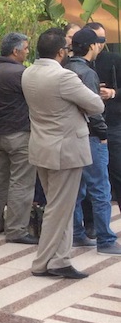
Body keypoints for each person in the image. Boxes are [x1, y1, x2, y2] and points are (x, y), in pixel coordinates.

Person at [23, 27, 104, 279]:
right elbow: (96, 104)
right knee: (59, 209)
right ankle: (42, 262)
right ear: (61, 52)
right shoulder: (63, 77)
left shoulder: (28, 72)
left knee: (62, 207)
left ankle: (60, 259)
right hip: (65, 150)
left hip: (42, 147)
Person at [65, 28, 121, 254]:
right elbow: (93, 111)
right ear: (91, 46)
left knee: (77, 188)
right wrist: (103, 135)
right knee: (100, 189)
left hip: (70, 135)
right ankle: (105, 239)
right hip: (90, 136)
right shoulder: (87, 73)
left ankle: (77, 233)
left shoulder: (66, 68)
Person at [0, 32, 38, 244]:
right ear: (15, 51)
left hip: (0, 133)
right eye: (25, 48)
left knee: (0, 180)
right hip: (20, 133)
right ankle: (16, 229)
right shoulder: (19, 73)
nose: (27, 51)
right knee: (21, 182)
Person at [92, 22, 121, 212]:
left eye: (103, 39)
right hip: (89, 126)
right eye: (97, 39)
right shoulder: (78, 64)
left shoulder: (114, 59)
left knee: (117, 170)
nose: (100, 43)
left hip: (113, 122)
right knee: (93, 179)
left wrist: (113, 93)